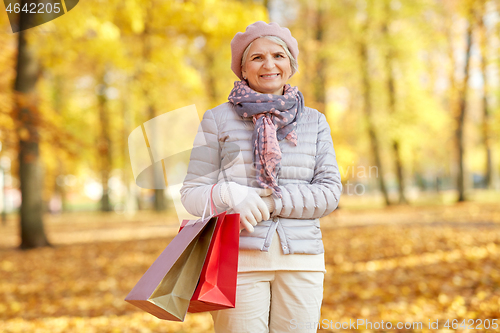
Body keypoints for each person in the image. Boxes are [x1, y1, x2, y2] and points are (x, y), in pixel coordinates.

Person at [180, 21, 342, 333]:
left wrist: (271, 202)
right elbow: (191, 193)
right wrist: (229, 195)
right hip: (237, 263)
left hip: (302, 262)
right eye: (257, 58)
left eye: (278, 56)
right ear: (242, 68)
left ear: (290, 65)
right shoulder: (217, 118)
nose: (269, 64)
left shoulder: (314, 121)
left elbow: (329, 192)